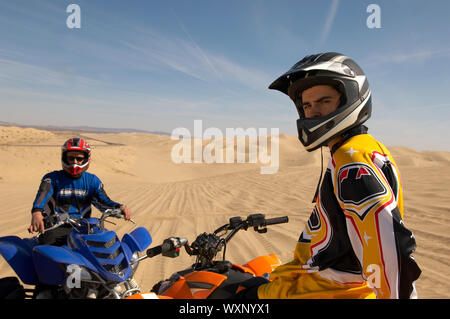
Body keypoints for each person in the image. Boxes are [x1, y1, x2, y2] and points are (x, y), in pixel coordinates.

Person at [254, 52, 421, 299]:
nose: (313, 113)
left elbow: (390, 251)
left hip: (319, 291)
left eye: (324, 102)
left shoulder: (351, 161)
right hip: (316, 283)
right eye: (307, 105)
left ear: (350, 101)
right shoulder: (361, 149)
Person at [28, 137, 132, 246]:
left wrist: (120, 208)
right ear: (64, 158)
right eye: (71, 158)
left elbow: (104, 202)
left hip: (85, 226)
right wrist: (37, 212)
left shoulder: (92, 181)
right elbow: (42, 197)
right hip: (58, 226)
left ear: (86, 159)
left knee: (106, 246)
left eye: (79, 159)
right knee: (47, 247)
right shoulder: (52, 179)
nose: (75, 162)